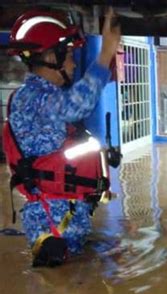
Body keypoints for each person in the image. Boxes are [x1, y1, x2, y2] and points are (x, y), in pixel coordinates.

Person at [3, 8, 121, 267]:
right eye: (68, 55)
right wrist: (104, 55)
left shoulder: (44, 96)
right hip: (52, 223)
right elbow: (78, 105)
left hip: (63, 216)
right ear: (49, 56)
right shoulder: (32, 98)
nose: (74, 63)